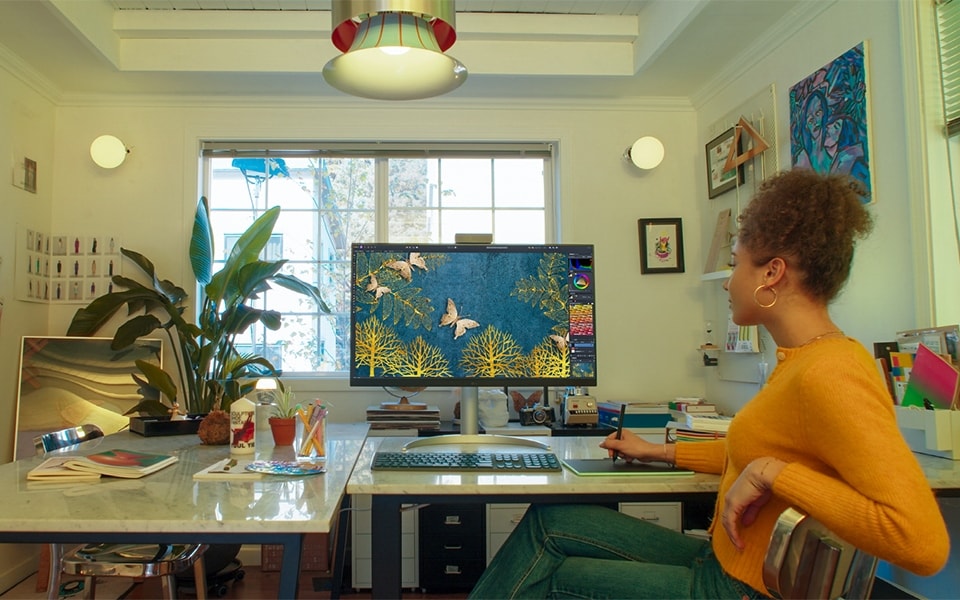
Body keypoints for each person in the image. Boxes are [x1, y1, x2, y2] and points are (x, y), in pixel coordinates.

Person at [469, 169, 950, 599]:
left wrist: (773, 474)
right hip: (725, 562)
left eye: (737, 263)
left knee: (549, 576)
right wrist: (658, 452)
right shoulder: (801, 361)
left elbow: (920, 542)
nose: (727, 281)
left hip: (741, 588)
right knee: (548, 523)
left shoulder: (833, 371)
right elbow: (755, 452)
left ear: (772, 273)